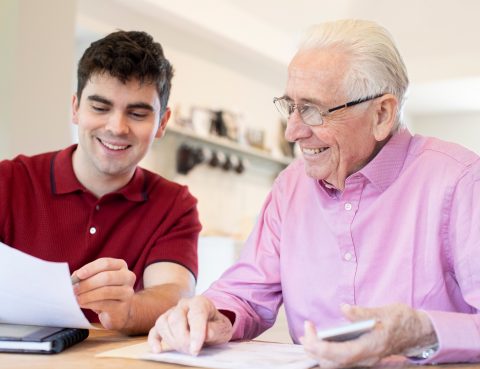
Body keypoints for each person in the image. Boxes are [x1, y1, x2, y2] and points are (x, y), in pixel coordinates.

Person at [148, 19, 480, 366]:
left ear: (381, 114)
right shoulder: (290, 186)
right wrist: (211, 314)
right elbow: (245, 294)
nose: (293, 131)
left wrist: (423, 332)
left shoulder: (460, 181)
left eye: (313, 110)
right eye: (290, 106)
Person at [0, 30, 201, 335]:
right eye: (100, 108)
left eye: (136, 113)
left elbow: (174, 291)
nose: (116, 127)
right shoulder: (9, 181)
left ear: (162, 123)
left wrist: (128, 309)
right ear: (75, 108)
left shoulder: (175, 205)